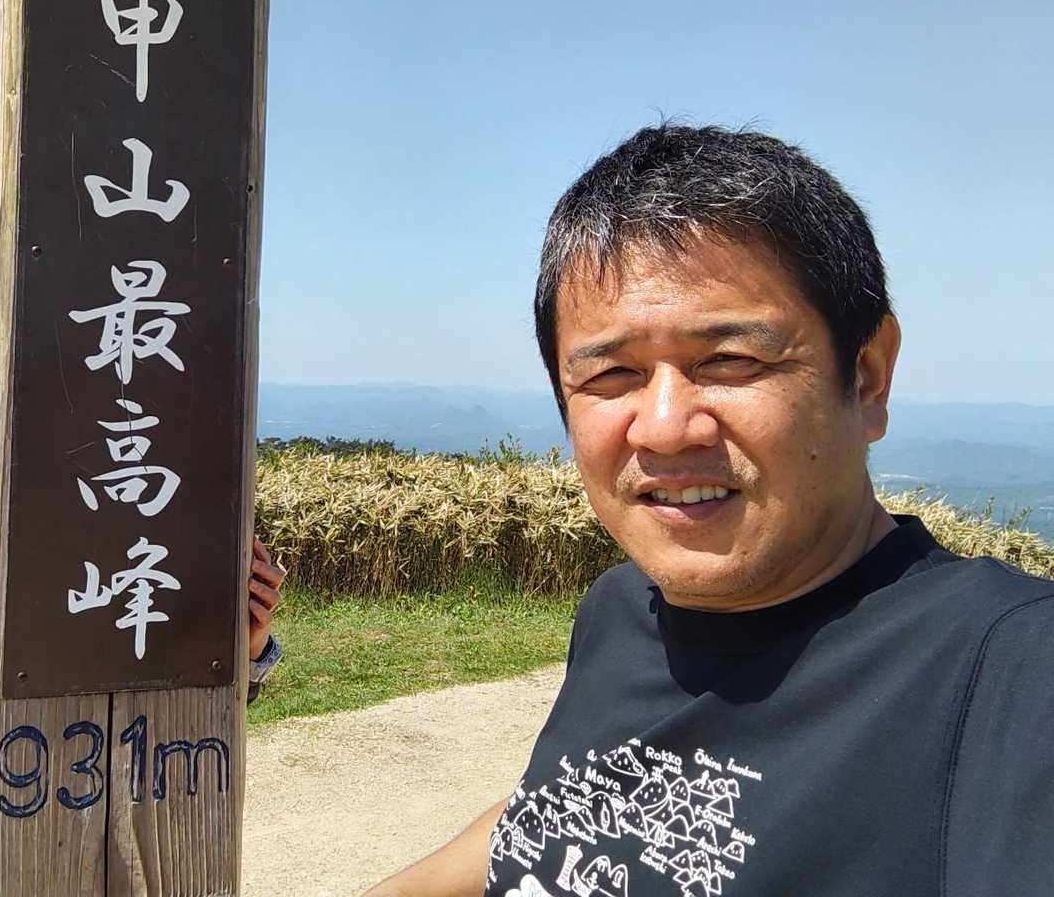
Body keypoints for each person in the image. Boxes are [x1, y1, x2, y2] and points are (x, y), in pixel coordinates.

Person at [365, 124, 1054, 896]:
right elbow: (564, 812)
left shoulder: (1012, 672)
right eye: (612, 374)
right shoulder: (621, 607)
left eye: (729, 361)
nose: (664, 428)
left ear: (866, 378)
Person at [0, 391, 286, 897]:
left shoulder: (115, 549)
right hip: (19, 866)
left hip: (153, 849)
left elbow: (190, 718)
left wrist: (244, 648)